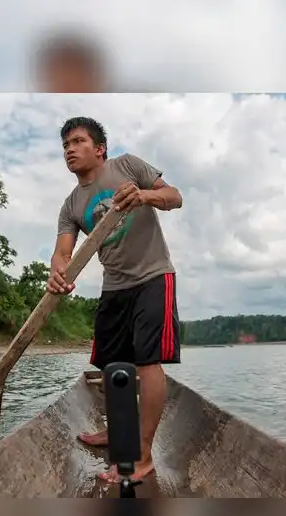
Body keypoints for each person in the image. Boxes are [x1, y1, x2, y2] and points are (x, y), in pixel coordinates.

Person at [48, 116, 183, 483]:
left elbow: (175, 197)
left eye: (77, 142)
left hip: (154, 275)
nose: (70, 150)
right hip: (115, 285)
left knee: (146, 361)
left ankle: (142, 457)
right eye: (65, 146)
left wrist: (144, 196)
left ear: (99, 148)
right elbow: (63, 251)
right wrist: (57, 270)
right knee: (110, 365)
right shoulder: (72, 205)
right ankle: (116, 429)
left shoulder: (128, 166)